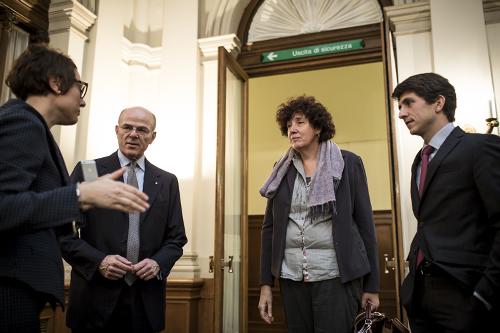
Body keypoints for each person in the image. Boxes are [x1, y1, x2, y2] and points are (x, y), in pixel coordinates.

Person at [0, 46, 149, 332]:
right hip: (10, 288)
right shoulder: (23, 122)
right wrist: (82, 195)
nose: (82, 102)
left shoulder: (34, 128)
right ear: (56, 83)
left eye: (142, 130)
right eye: (79, 88)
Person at [258, 95, 380, 333]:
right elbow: (269, 228)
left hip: (336, 278)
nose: (292, 129)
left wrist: (372, 285)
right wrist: (265, 283)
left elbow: (366, 226)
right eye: (289, 125)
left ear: (318, 127)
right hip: (291, 278)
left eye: (300, 122)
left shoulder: (348, 163)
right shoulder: (281, 169)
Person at [60, 106, 187, 333]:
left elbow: (176, 238)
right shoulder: (89, 171)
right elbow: (62, 234)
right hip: (94, 298)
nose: (133, 134)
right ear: (117, 130)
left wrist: (158, 263)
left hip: (145, 300)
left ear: (152, 137)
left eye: (142, 129)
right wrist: (99, 261)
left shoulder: (167, 181)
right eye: (127, 127)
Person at [393, 73, 500, 332]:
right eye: (399, 107)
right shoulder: (420, 160)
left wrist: (485, 293)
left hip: (465, 293)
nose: (401, 113)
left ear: (438, 103)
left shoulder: (480, 147)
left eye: (409, 103)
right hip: (420, 296)